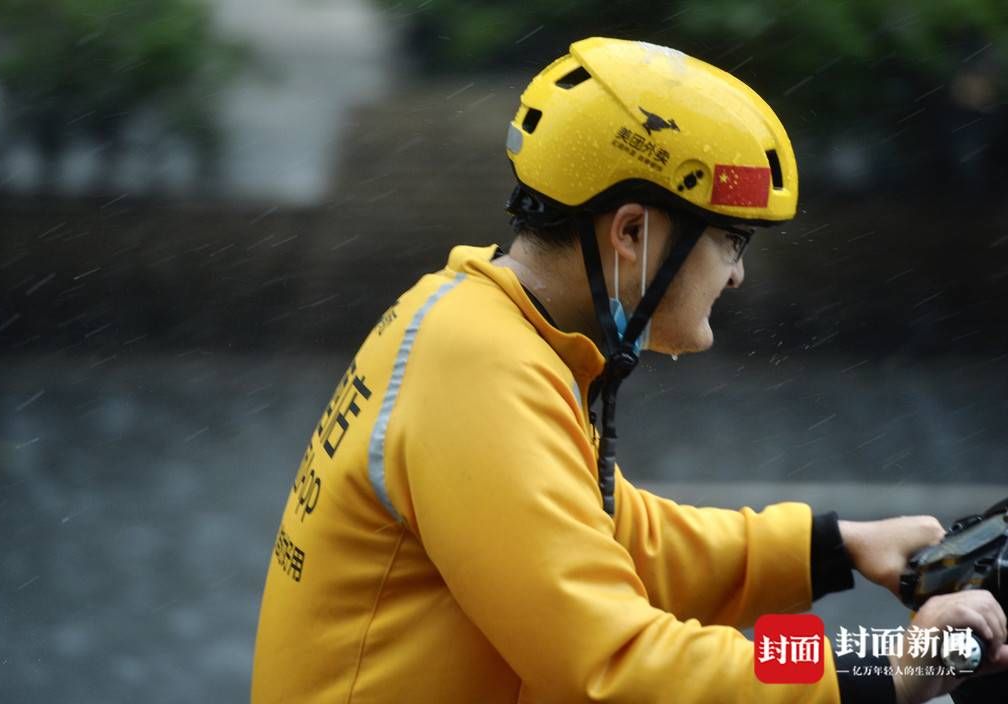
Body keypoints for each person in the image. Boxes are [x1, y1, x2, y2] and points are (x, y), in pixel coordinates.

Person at [251, 37, 1008, 704]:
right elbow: (621, 667)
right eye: (732, 243)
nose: (737, 277)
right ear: (633, 232)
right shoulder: (481, 372)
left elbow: (617, 545)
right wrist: (888, 670)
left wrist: (835, 546)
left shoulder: (479, 323)